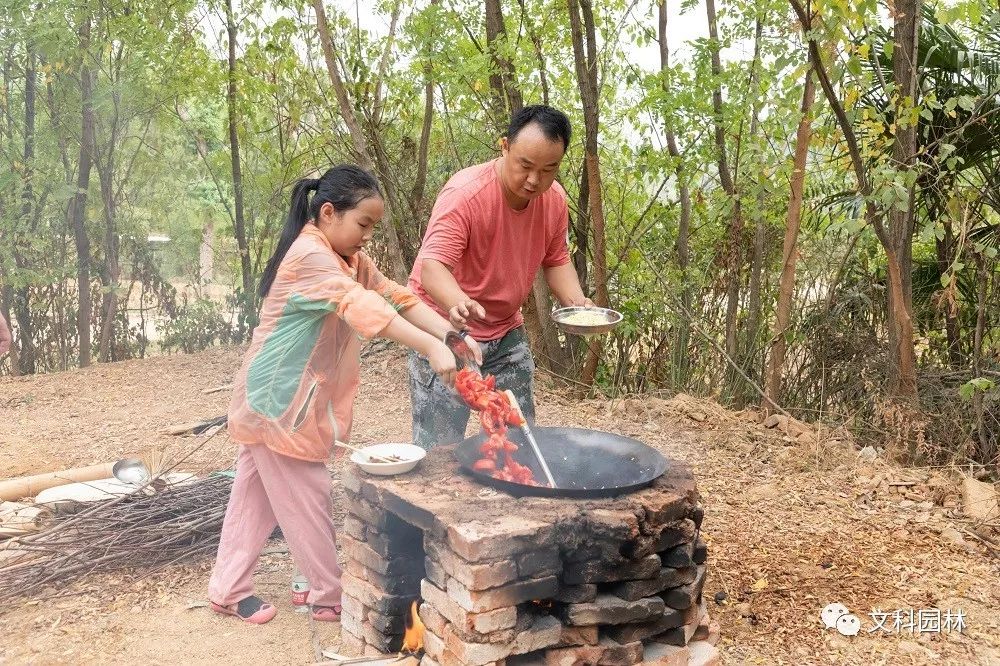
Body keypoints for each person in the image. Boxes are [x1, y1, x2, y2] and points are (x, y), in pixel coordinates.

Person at [208, 165, 480, 625]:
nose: (368, 236)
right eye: (364, 225)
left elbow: (392, 295)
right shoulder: (310, 255)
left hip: (279, 396)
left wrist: (450, 336)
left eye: (373, 227)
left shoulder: (348, 258)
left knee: (253, 494)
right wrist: (430, 346)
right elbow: (364, 306)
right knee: (308, 490)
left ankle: (228, 589)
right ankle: (328, 594)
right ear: (329, 213)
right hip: (280, 399)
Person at [408, 105, 592, 449]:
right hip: (444, 329)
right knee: (439, 451)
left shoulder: (554, 202)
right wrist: (458, 302)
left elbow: (556, 261)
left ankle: (512, 500)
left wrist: (577, 305)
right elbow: (432, 268)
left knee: (519, 440)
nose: (534, 179)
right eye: (525, 165)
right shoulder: (466, 194)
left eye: (548, 169)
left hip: (506, 331)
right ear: (504, 146)